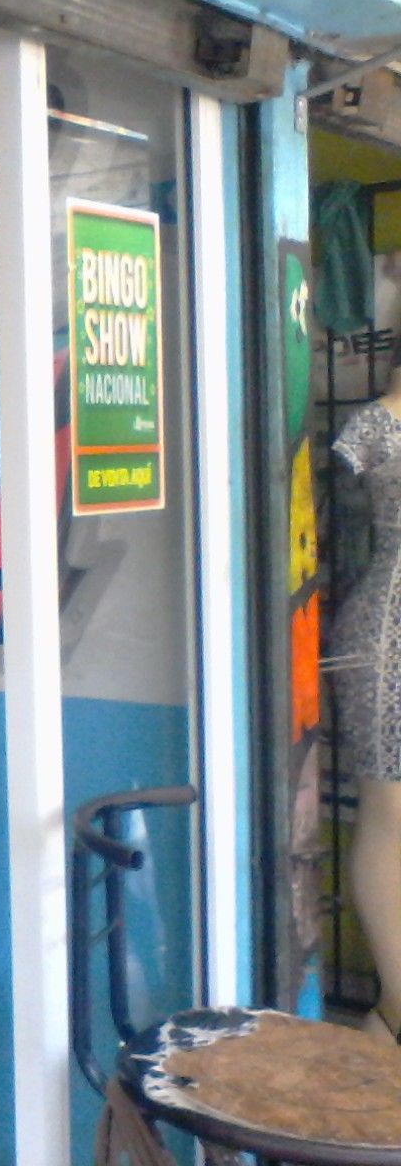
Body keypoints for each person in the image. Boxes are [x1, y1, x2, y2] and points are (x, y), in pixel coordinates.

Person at [332, 378, 401, 1042]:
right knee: (390, 811)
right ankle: (395, 1007)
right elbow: (338, 539)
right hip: (389, 631)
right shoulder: (372, 426)